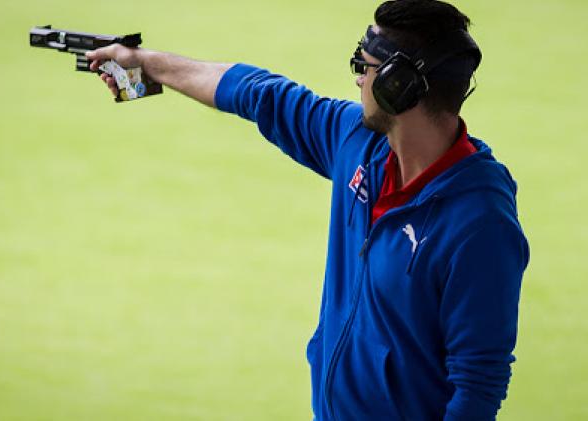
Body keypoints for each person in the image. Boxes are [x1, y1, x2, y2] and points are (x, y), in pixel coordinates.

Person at [87, 0, 529, 419]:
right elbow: (259, 93)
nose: (357, 80)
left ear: (400, 85)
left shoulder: (480, 224)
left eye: (364, 67)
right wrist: (144, 65)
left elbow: (478, 383)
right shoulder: (359, 143)